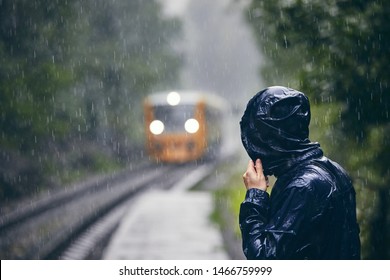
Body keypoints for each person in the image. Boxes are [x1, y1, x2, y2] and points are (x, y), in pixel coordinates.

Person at [239, 86, 361, 259]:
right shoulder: (334, 170)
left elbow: (265, 260)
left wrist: (255, 196)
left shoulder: (301, 186)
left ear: (269, 139)